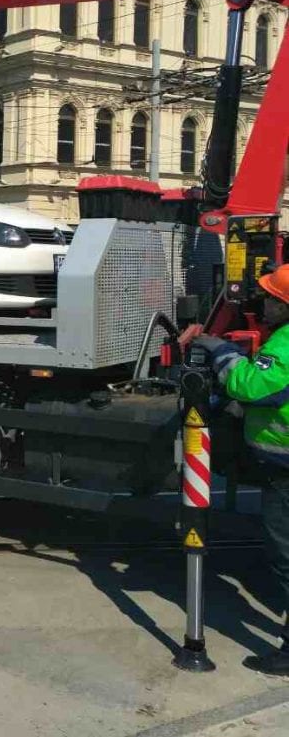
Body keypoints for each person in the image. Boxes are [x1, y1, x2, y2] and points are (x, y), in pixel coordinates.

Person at [196, 263, 289, 675]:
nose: (263, 303)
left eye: (271, 298)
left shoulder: (285, 345)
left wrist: (223, 353)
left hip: (286, 473)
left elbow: (252, 386)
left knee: (286, 559)